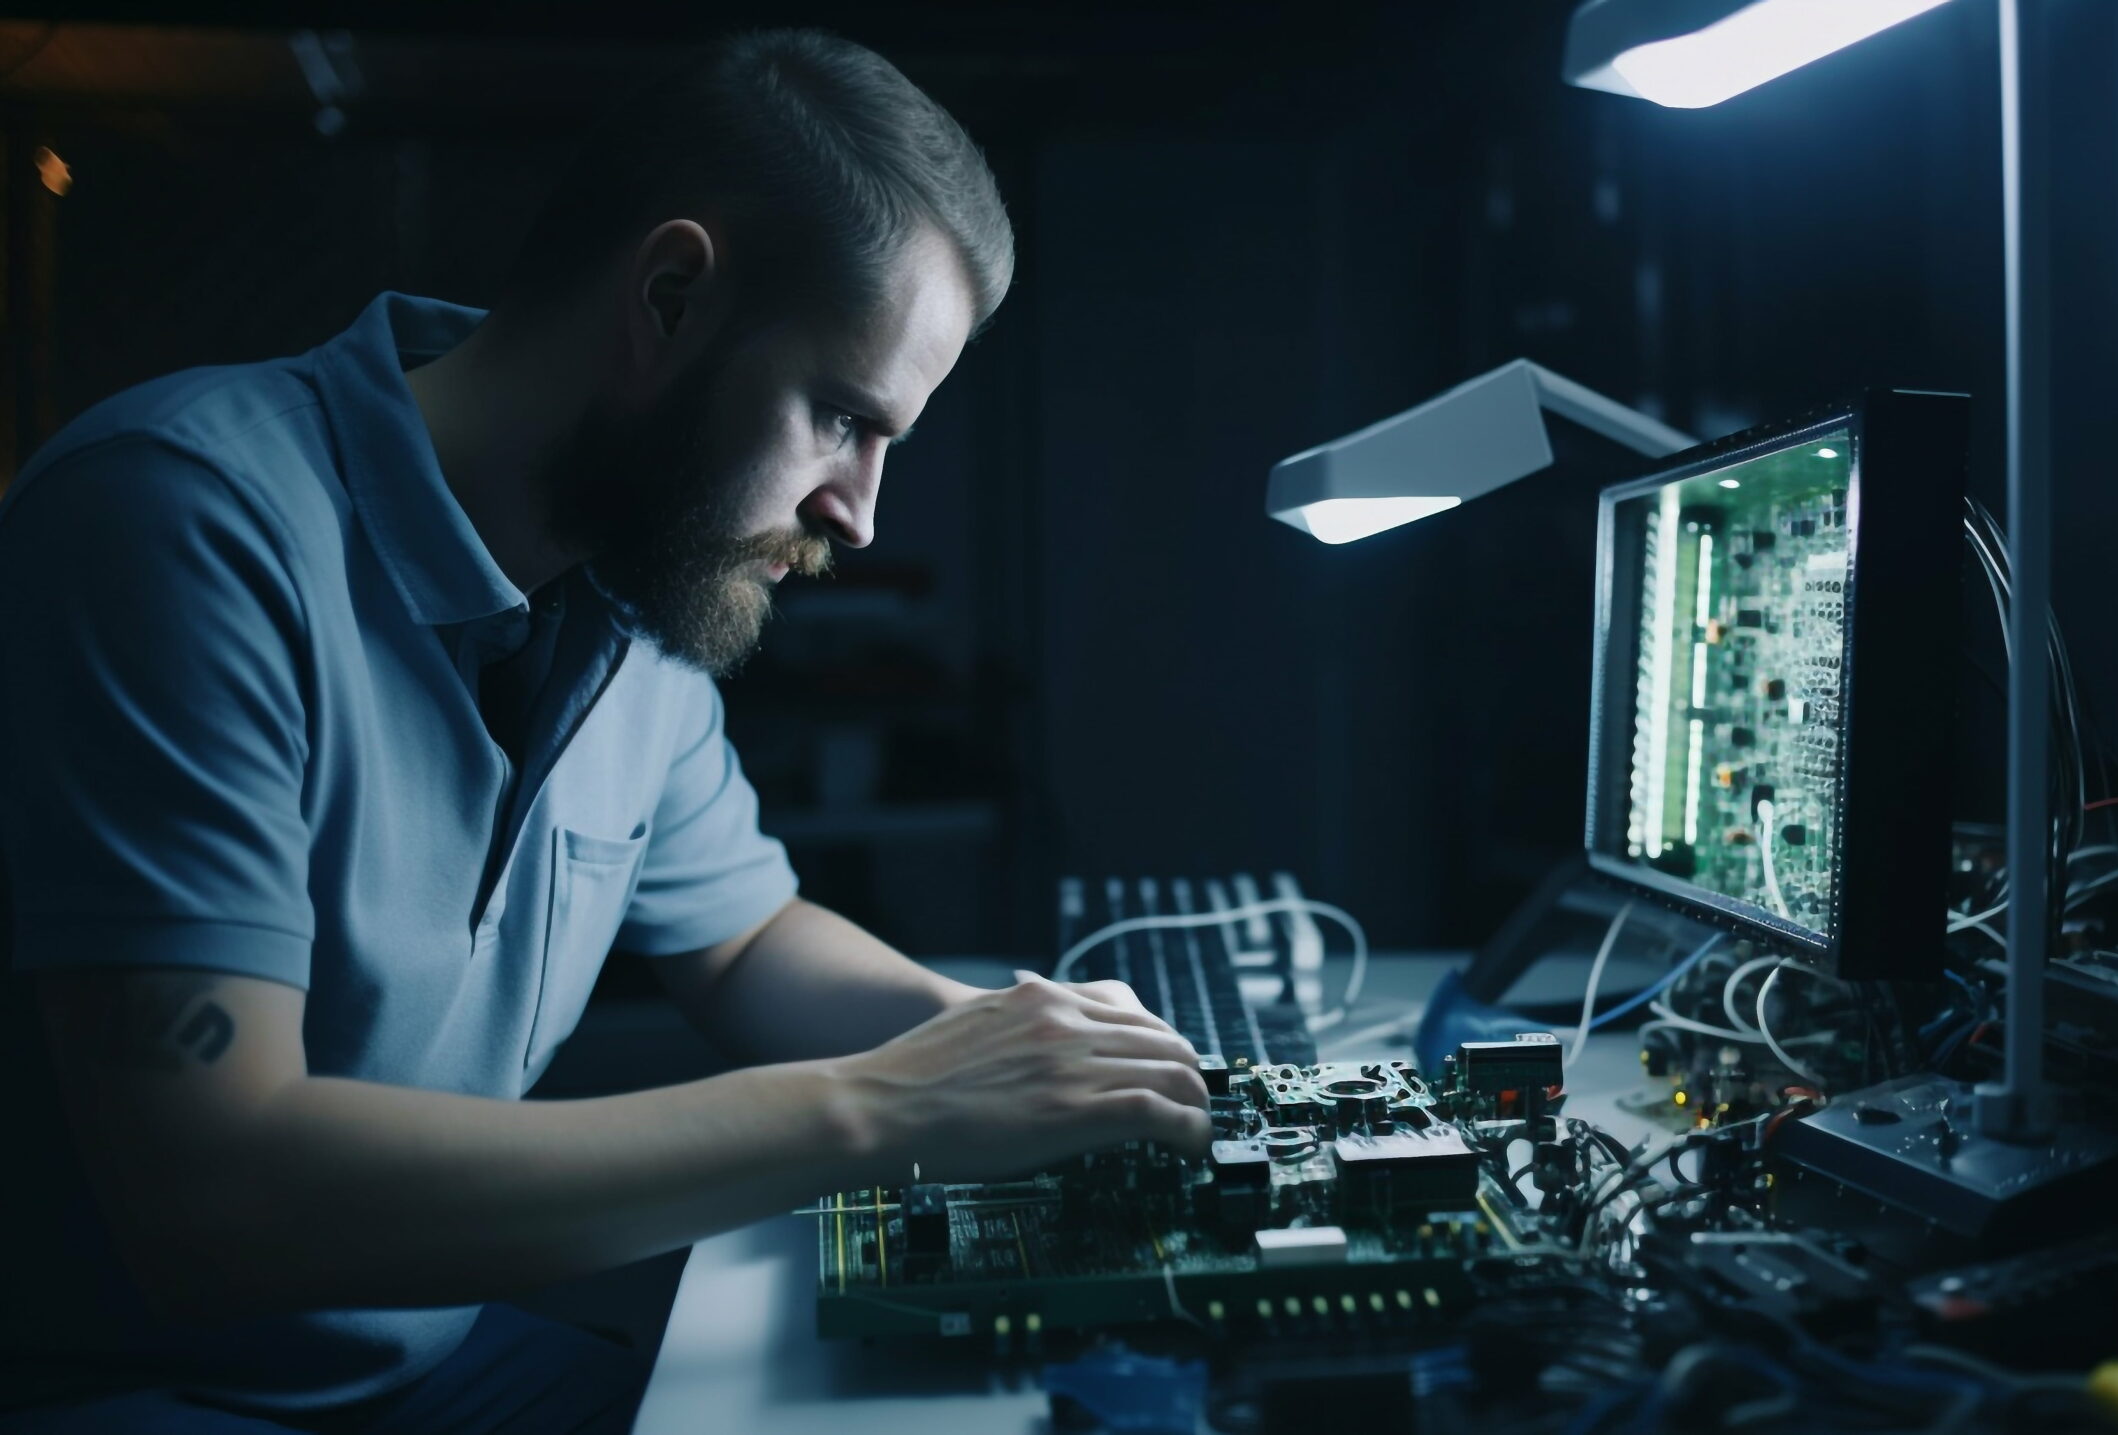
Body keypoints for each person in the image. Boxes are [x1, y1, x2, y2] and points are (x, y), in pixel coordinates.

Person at [0, 29, 1210, 1433]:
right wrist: (890, 1109)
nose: (859, 511)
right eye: (838, 417)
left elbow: (747, 941)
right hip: (136, 1396)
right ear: (671, 295)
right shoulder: (178, 523)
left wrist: (1007, 1044)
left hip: (423, 1370)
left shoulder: (633, 596)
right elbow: (217, 1194)